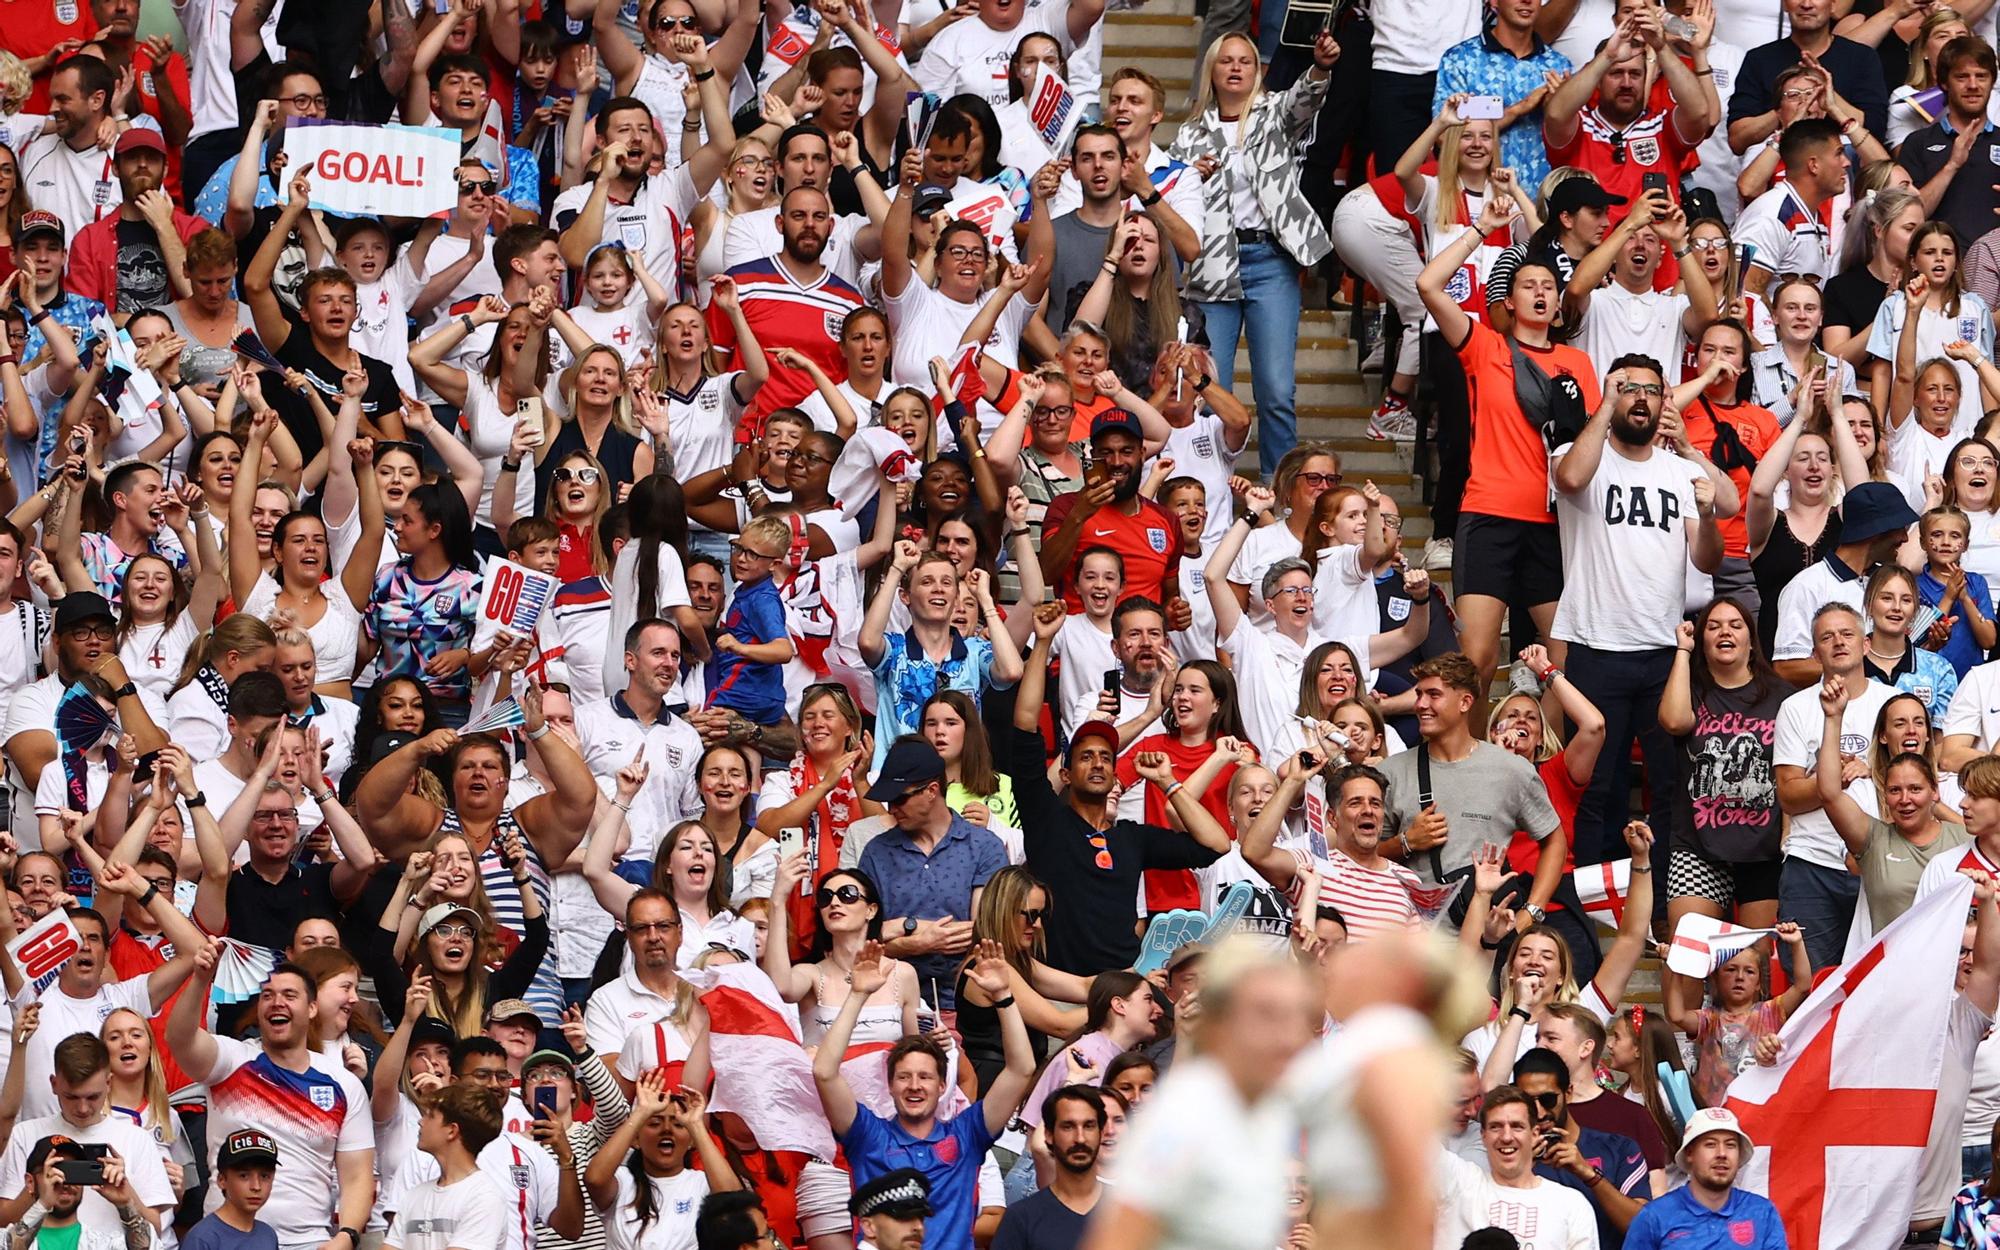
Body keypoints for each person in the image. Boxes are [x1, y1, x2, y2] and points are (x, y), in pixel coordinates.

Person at [1552, 354, 1727, 865]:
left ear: (1664, 400)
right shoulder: (1579, 452)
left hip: (1665, 652)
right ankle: (1589, 903)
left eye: (1650, 389)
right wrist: (1604, 405)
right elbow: (1568, 480)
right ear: (1611, 394)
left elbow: (1707, 556)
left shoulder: (1680, 472)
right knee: (1594, 785)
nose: (1640, 398)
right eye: (1628, 388)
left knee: (1671, 784)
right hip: (1594, 644)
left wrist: (1711, 513)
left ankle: (1663, 902)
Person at [1169, 29, 1340, 473]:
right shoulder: (1189, 135)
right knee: (1208, 389)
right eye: (1226, 60)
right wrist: (1190, 176)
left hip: (1270, 261)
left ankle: (1281, 493)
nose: (1236, 67)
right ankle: (1209, 488)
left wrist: (1320, 66)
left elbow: (1306, 99)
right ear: (1212, 70)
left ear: (1258, 71)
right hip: (1212, 268)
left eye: (1245, 60)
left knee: (1277, 391)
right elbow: (1171, 197)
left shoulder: (1273, 113)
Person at [1079, 939, 1318, 1250]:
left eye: (1293, 1017)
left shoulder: (1270, 1112)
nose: (1287, 1035)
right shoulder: (1185, 1113)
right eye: (1267, 1017)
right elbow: (1119, 1238)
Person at [814, 941, 1032, 1250]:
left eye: (925, 1077)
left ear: (943, 1086)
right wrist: (858, 995)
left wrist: (1003, 997)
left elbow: (1021, 1069)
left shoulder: (967, 1134)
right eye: (904, 1076)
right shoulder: (868, 1135)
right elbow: (824, 1072)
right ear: (889, 1085)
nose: (914, 1085)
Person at [1774, 602, 1900, 968]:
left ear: (1865, 644)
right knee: (1810, 986)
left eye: (1847, 634)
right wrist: (1831, 779)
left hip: (1881, 862)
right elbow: (1788, 796)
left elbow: (1916, 784)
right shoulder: (1795, 708)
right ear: (1815, 653)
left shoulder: (1891, 703)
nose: (1839, 642)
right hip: (1810, 863)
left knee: (1883, 982)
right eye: (1827, 637)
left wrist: (1873, 770)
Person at [856, 738, 1007, 1011]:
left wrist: (896, 932)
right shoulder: (876, 853)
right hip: (893, 1002)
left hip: (970, 1001)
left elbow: (984, 932)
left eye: (900, 798)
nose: (892, 808)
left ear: (932, 790)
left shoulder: (983, 846)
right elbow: (862, 943)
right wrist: (915, 942)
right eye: (889, 799)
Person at [1512, 1047, 1649, 1245]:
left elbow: (1642, 1228)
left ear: (1568, 1093)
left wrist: (1590, 1176)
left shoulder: (1619, 1148)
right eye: (1528, 1101)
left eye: (1548, 1099)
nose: (1540, 1113)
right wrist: (1521, 1170)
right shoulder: (1510, 1154)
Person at [1622, 1109, 1785, 1249]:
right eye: (1710, 1144)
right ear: (1690, 1153)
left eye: (1730, 1145)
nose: (1722, 1153)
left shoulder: (1763, 1212)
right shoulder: (1654, 1217)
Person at [384, 1082, 509, 1250]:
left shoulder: (484, 1197)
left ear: (452, 1130)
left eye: (430, 1115)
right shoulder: (414, 1195)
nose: (421, 1121)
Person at [992, 1086, 1105, 1250]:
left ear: (1101, 1132)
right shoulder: (1022, 1217)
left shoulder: (1130, 1212)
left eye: (1089, 1126)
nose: (1080, 1138)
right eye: (1068, 1126)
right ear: (1049, 1135)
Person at [5, 1135, 152, 1250]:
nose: (63, 1181)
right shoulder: (5, 1237)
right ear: (30, 1182)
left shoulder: (104, 1244)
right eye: (54, 1171)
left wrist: (125, 1204)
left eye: (73, 1171)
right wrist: (43, 1204)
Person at [180, 1130, 281, 1250]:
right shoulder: (202, 1239)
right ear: (222, 1180)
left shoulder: (268, 1235)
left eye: (264, 1176)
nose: (256, 1186)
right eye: (244, 1176)